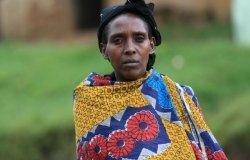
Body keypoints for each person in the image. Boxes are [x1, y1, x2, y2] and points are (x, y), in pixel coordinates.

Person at [73, 0, 228, 159]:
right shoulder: (89, 101)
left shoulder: (181, 97)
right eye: (118, 40)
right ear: (103, 49)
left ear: (152, 45)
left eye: (139, 38)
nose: (130, 49)